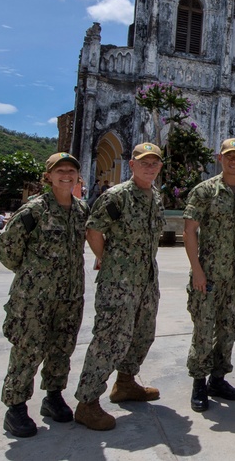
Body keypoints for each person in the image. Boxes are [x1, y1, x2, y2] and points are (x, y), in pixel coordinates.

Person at [72, 143, 165, 431]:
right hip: (119, 283)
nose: (149, 167)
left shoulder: (156, 197)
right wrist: (107, 260)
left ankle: (125, 383)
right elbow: (94, 231)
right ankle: (87, 402)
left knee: (142, 334)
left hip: (147, 280)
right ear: (132, 165)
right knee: (109, 339)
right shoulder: (117, 196)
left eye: (154, 163)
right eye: (144, 163)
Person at [0, 153, 89, 438]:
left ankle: (53, 396)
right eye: (59, 170)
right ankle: (16, 408)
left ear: (77, 176)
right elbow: (7, 250)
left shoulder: (81, 210)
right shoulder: (34, 210)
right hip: (34, 298)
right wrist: (33, 275)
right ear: (48, 176)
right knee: (28, 350)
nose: (66, 175)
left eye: (71, 171)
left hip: (70, 295)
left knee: (62, 347)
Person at [182, 137, 235, 412]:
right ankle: (199, 383)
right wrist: (197, 271)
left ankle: (218, 378)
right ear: (220, 158)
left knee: (230, 328)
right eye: (229, 156)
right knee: (204, 330)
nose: (234, 160)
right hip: (209, 274)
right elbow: (189, 231)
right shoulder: (204, 191)